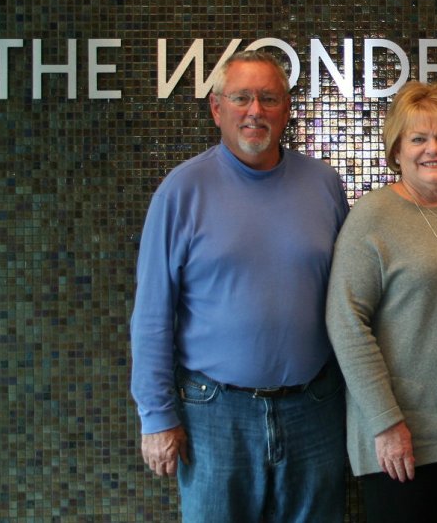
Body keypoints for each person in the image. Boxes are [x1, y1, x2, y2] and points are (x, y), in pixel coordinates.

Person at [129, 49, 350, 522]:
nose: (255, 111)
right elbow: (151, 314)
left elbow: (352, 299)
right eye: (242, 98)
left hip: (315, 410)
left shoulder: (325, 186)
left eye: (269, 98)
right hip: (214, 416)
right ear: (217, 108)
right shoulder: (181, 191)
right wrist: (157, 417)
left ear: (287, 109)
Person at [325, 81, 437, 523]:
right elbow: (345, 323)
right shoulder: (372, 215)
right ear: (396, 149)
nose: (432, 149)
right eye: (418, 138)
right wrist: (385, 424)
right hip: (401, 441)